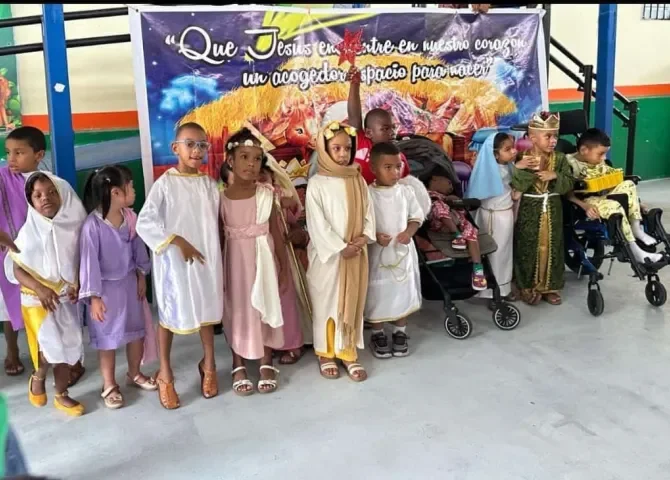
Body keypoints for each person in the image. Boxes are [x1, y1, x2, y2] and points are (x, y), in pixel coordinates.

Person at [136, 122, 223, 410]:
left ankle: (208, 364)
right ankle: (165, 373)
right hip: (174, 262)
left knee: (207, 313)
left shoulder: (209, 185)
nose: (196, 150)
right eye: (190, 144)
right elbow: (145, 222)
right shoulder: (165, 184)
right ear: (176, 148)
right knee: (171, 315)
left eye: (202, 145)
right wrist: (176, 240)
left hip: (206, 260)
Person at [4, 171, 87, 416]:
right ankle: (44, 379)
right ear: (30, 200)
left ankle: (60, 393)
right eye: (38, 195)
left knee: (69, 348)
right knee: (51, 348)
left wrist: (77, 284)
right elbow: (17, 269)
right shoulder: (29, 232)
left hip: (64, 299)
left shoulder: (73, 228)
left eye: (51, 192)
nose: (46, 198)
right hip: (36, 299)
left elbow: (80, 262)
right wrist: (40, 289)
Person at [78, 166, 158, 410]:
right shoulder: (92, 226)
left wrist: (141, 275)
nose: (134, 190)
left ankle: (134, 373)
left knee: (136, 333)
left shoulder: (131, 218)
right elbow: (89, 263)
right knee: (108, 340)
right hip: (105, 292)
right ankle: (109, 384)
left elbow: (138, 251)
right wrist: (94, 298)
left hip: (130, 287)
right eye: (131, 186)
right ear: (115, 192)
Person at [305, 121, 375, 382]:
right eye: (336, 148)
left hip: (355, 254)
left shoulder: (357, 179)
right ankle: (325, 352)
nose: (343, 154)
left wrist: (362, 239)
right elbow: (317, 223)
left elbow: (369, 213)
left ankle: (347, 352)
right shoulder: (317, 183)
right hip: (329, 258)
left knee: (353, 301)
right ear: (324, 149)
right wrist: (339, 247)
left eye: (347, 148)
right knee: (327, 303)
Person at [220, 128, 287, 395]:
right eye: (244, 157)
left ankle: (265, 360)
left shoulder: (266, 194)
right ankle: (237, 361)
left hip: (263, 259)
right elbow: (218, 237)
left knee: (265, 305)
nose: (251, 164)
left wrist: (282, 264)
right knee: (236, 308)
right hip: (235, 262)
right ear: (230, 161)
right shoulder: (221, 198)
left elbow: (277, 234)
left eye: (257, 159)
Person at [565, 128, 662, 264]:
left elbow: (612, 179)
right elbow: (567, 194)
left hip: (605, 194)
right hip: (588, 200)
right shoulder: (569, 164)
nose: (604, 158)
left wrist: (636, 203)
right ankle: (635, 250)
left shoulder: (598, 162)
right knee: (614, 206)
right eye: (601, 154)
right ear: (584, 150)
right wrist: (585, 206)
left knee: (628, 184)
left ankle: (636, 228)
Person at [365, 142, 424, 358]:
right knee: (378, 293)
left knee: (402, 291)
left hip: (402, 252)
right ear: (373, 168)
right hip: (377, 254)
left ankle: (400, 332)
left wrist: (409, 231)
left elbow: (416, 217)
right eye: (387, 167)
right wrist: (374, 236)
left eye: (397, 166)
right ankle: (378, 333)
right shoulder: (367, 194)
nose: (395, 172)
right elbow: (364, 222)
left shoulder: (406, 192)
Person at [512, 111, 574, 306]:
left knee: (553, 245)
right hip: (530, 207)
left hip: (553, 207)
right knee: (528, 245)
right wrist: (521, 169)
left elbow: (569, 183)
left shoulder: (561, 159)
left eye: (555, 136)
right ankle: (526, 286)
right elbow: (514, 186)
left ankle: (550, 287)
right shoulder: (522, 158)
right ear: (532, 137)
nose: (553, 140)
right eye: (548, 136)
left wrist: (555, 175)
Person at [258, 159, 312, 363]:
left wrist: (296, 233)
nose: (260, 179)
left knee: (285, 300)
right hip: (257, 256)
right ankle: (267, 345)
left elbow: (294, 226)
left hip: (283, 257)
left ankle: (292, 343)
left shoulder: (280, 197)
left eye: (265, 174)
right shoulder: (245, 196)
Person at [466, 132, 518, 305]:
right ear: (495, 154)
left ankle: (503, 288)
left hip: (504, 215)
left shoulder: (509, 166)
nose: (514, 152)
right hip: (491, 216)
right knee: (491, 253)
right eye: (508, 149)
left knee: (503, 253)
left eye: (513, 147)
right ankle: (490, 292)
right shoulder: (490, 170)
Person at [346, 66, 411, 186]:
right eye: (385, 129)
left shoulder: (399, 159)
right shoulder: (360, 141)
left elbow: (404, 189)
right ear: (369, 133)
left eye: (393, 128)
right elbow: (354, 116)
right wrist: (355, 85)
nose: (392, 133)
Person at [426, 167, 487, 290]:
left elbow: (460, 209)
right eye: (448, 183)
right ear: (435, 178)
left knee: (471, 229)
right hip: (438, 223)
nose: (451, 187)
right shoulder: (426, 194)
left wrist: (456, 201)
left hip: (458, 221)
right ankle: (456, 235)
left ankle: (478, 269)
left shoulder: (448, 196)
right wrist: (445, 199)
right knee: (438, 205)